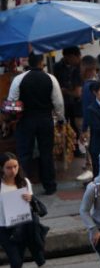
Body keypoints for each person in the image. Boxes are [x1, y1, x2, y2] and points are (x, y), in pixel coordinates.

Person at [7, 53, 64, 195]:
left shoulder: (19, 79)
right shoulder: (51, 78)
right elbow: (58, 102)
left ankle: (21, 186)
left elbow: (11, 101)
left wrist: (13, 118)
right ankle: (49, 185)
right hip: (45, 119)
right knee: (46, 153)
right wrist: (60, 119)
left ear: (28, 63)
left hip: (25, 119)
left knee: (24, 154)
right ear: (41, 63)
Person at [0, 153, 46, 268]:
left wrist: (31, 199)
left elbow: (31, 203)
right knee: (14, 258)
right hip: (3, 227)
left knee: (18, 260)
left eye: (15, 166)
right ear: (2, 168)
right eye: (9, 168)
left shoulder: (23, 182)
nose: (13, 170)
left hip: (21, 225)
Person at [54, 46, 84, 158]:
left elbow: (77, 92)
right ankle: (64, 149)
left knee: (75, 127)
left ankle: (75, 149)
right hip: (63, 102)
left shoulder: (77, 67)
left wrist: (66, 91)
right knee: (63, 126)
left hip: (75, 102)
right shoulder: (57, 67)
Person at [78, 55, 99, 182]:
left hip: (91, 124)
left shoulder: (87, 87)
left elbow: (87, 110)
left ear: (85, 68)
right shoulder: (99, 84)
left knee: (91, 150)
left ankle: (92, 174)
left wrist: (84, 129)